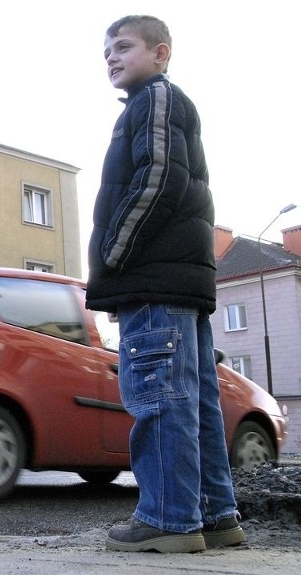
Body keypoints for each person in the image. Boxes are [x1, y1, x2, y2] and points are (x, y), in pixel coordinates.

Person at [85, 15, 246, 553]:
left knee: (158, 399)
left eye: (123, 46)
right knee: (192, 401)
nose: (111, 56)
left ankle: (168, 519)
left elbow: (157, 177)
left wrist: (114, 254)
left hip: (155, 280)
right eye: (106, 50)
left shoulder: (154, 100)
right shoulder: (160, 103)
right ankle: (215, 515)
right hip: (179, 282)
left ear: (161, 53)